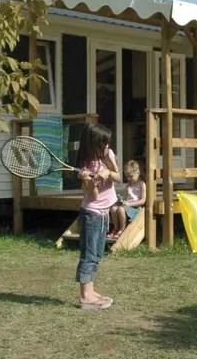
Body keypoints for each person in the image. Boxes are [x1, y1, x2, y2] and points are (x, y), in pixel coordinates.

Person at [75, 122, 120, 309]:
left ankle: (91, 290)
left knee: (97, 254)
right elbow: (93, 196)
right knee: (89, 254)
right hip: (92, 215)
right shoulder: (86, 166)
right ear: (93, 144)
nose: (107, 146)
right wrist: (89, 181)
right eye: (103, 143)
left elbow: (118, 176)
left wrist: (107, 171)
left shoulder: (108, 154)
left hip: (104, 214)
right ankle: (85, 296)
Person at [109, 160, 146, 238]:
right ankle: (116, 228)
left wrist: (129, 204)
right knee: (113, 208)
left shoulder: (142, 184)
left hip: (136, 209)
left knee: (120, 209)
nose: (129, 179)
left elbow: (143, 200)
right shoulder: (129, 184)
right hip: (127, 206)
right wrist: (121, 200)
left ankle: (122, 229)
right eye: (127, 177)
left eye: (131, 176)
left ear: (138, 172)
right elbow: (126, 196)